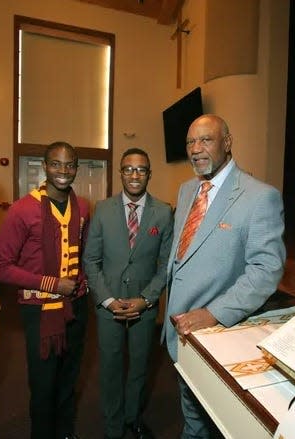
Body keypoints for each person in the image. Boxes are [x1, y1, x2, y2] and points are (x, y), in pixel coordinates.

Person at [162, 114, 286, 438]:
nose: (196, 149)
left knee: (215, 425)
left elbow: (265, 271)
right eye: (190, 142)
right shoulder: (187, 189)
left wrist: (212, 313)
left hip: (214, 338)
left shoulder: (260, 196)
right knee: (191, 419)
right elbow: (181, 259)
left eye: (206, 140)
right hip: (180, 333)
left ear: (227, 142)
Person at [0, 141, 90, 439]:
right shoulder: (23, 210)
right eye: (56, 164)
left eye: (70, 164)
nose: (63, 171)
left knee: (69, 377)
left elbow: (82, 253)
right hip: (39, 311)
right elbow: (0, 266)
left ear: (76, 168)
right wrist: (51, 284)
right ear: (45, 167)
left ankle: (65, 432)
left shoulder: (83, 206)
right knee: (44, 383)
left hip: (76, 306)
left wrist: (81, 280)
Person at [83, 148, 173, 439]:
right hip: (107, 305)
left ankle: (132, 417)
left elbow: (165, 264)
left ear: (149, 174)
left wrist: (146, 299)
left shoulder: (163, 212)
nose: (135, 175)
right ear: (120, 173)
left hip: (143, 306)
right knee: (110, 368)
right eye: (129, 169)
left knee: (138, 366)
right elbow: (90, 261)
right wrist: (107, 300)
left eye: (141, 169)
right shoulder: (103, 209)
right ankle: (112, 426)